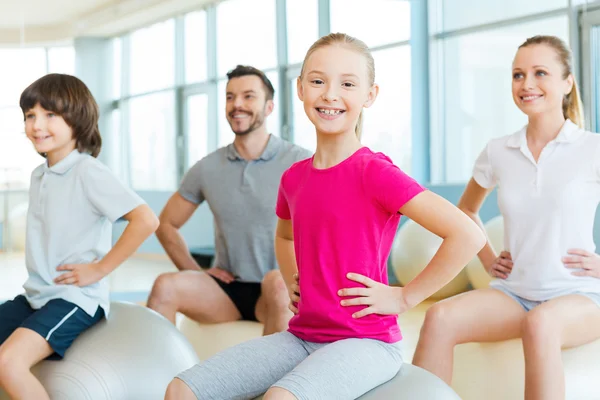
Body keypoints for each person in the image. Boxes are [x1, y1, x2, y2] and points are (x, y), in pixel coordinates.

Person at [163, 33, 485, 400]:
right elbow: (284, 236)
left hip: (367, 343)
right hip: (302, 337)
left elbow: (467, 235)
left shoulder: (375, 172)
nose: (330, 94)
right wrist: (290, 280)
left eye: (347, 84)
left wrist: (404, 298)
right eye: (318, 81)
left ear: (370, 95)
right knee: (180, 389)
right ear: (300, 89)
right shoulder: (294, 178)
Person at [412, 35, 600, 400]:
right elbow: (465, 209)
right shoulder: (499, 150)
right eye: (518, 75)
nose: (527, 84)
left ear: (567, 82)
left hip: (580, 296)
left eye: (540, 72)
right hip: (515, 293)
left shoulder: (592, 149)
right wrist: (486, 259)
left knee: (541, 323)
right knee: (439, 317)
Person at [0, 73, 159, 400]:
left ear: (77, 120)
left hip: (74, 299)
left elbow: (145, 219)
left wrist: (100, 269)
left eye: (50, 115)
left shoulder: (88, 171)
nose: (36, 125)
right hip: (36, 296)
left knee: (9, 361)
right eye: (30, 115)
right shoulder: (39, 174)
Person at [147, 65, 312, 335]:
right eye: (230, 97)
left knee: (278, 283)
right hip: (227, 290)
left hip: (278, 287)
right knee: (165, 285)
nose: (237, 104)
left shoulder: (300, 162)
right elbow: (165, 224)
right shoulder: (207, 167)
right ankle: (158, 376)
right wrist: (195, 272)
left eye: (248, 96)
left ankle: (269, 378)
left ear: (269, 107)